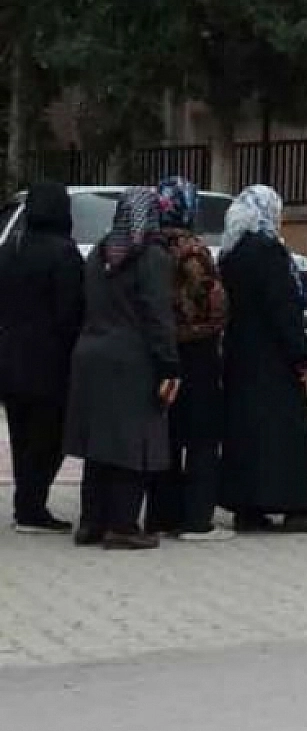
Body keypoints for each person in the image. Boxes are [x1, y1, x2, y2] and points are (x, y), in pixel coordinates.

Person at [62, 187, 177, 550]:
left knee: (99, 444)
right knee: (133, 443)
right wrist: (169, 363)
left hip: (90, 353)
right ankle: (123, 526)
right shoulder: (151, 255)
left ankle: (91, 523)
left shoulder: (101, 251)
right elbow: (157, 315)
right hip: (131, 358)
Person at [217, 185, 307, 534]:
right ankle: (295, 505)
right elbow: (283, 309)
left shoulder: (233, 252)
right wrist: (301, 353)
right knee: (284, 433)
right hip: (272, 359)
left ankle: (248, 505)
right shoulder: (269, 252)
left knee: (246, 433)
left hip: (241, 354)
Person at [144, 177, 232, 541]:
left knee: (165, 433)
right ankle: (197, 519)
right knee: (201, 437)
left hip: (157, 352)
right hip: (196, 354)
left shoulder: (147, 245)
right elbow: (215, 303)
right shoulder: (192, 250)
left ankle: (162, 515)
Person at [0, 182, 85, 533]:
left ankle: (26, 504)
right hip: (50, 358)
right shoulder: (63, 253)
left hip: (8, 354)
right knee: (50, 434)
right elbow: (69, 311)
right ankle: (32, 507)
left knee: (21, 433)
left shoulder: (9, 248)